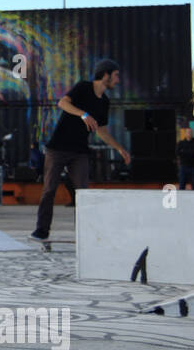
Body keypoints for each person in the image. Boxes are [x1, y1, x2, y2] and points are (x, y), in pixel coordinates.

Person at [31, 59, 131, 242]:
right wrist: (83, 114)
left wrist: (119, 148)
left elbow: (100, 130)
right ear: (106, 74)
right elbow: (62, 103)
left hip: (79, 151)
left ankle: (83, 233)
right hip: (58, 148)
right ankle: (41, 230)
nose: (117, 80)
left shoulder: (104, 102)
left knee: (83, 193)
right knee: (49, 190)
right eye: (116, 75)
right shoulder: (84, 87)